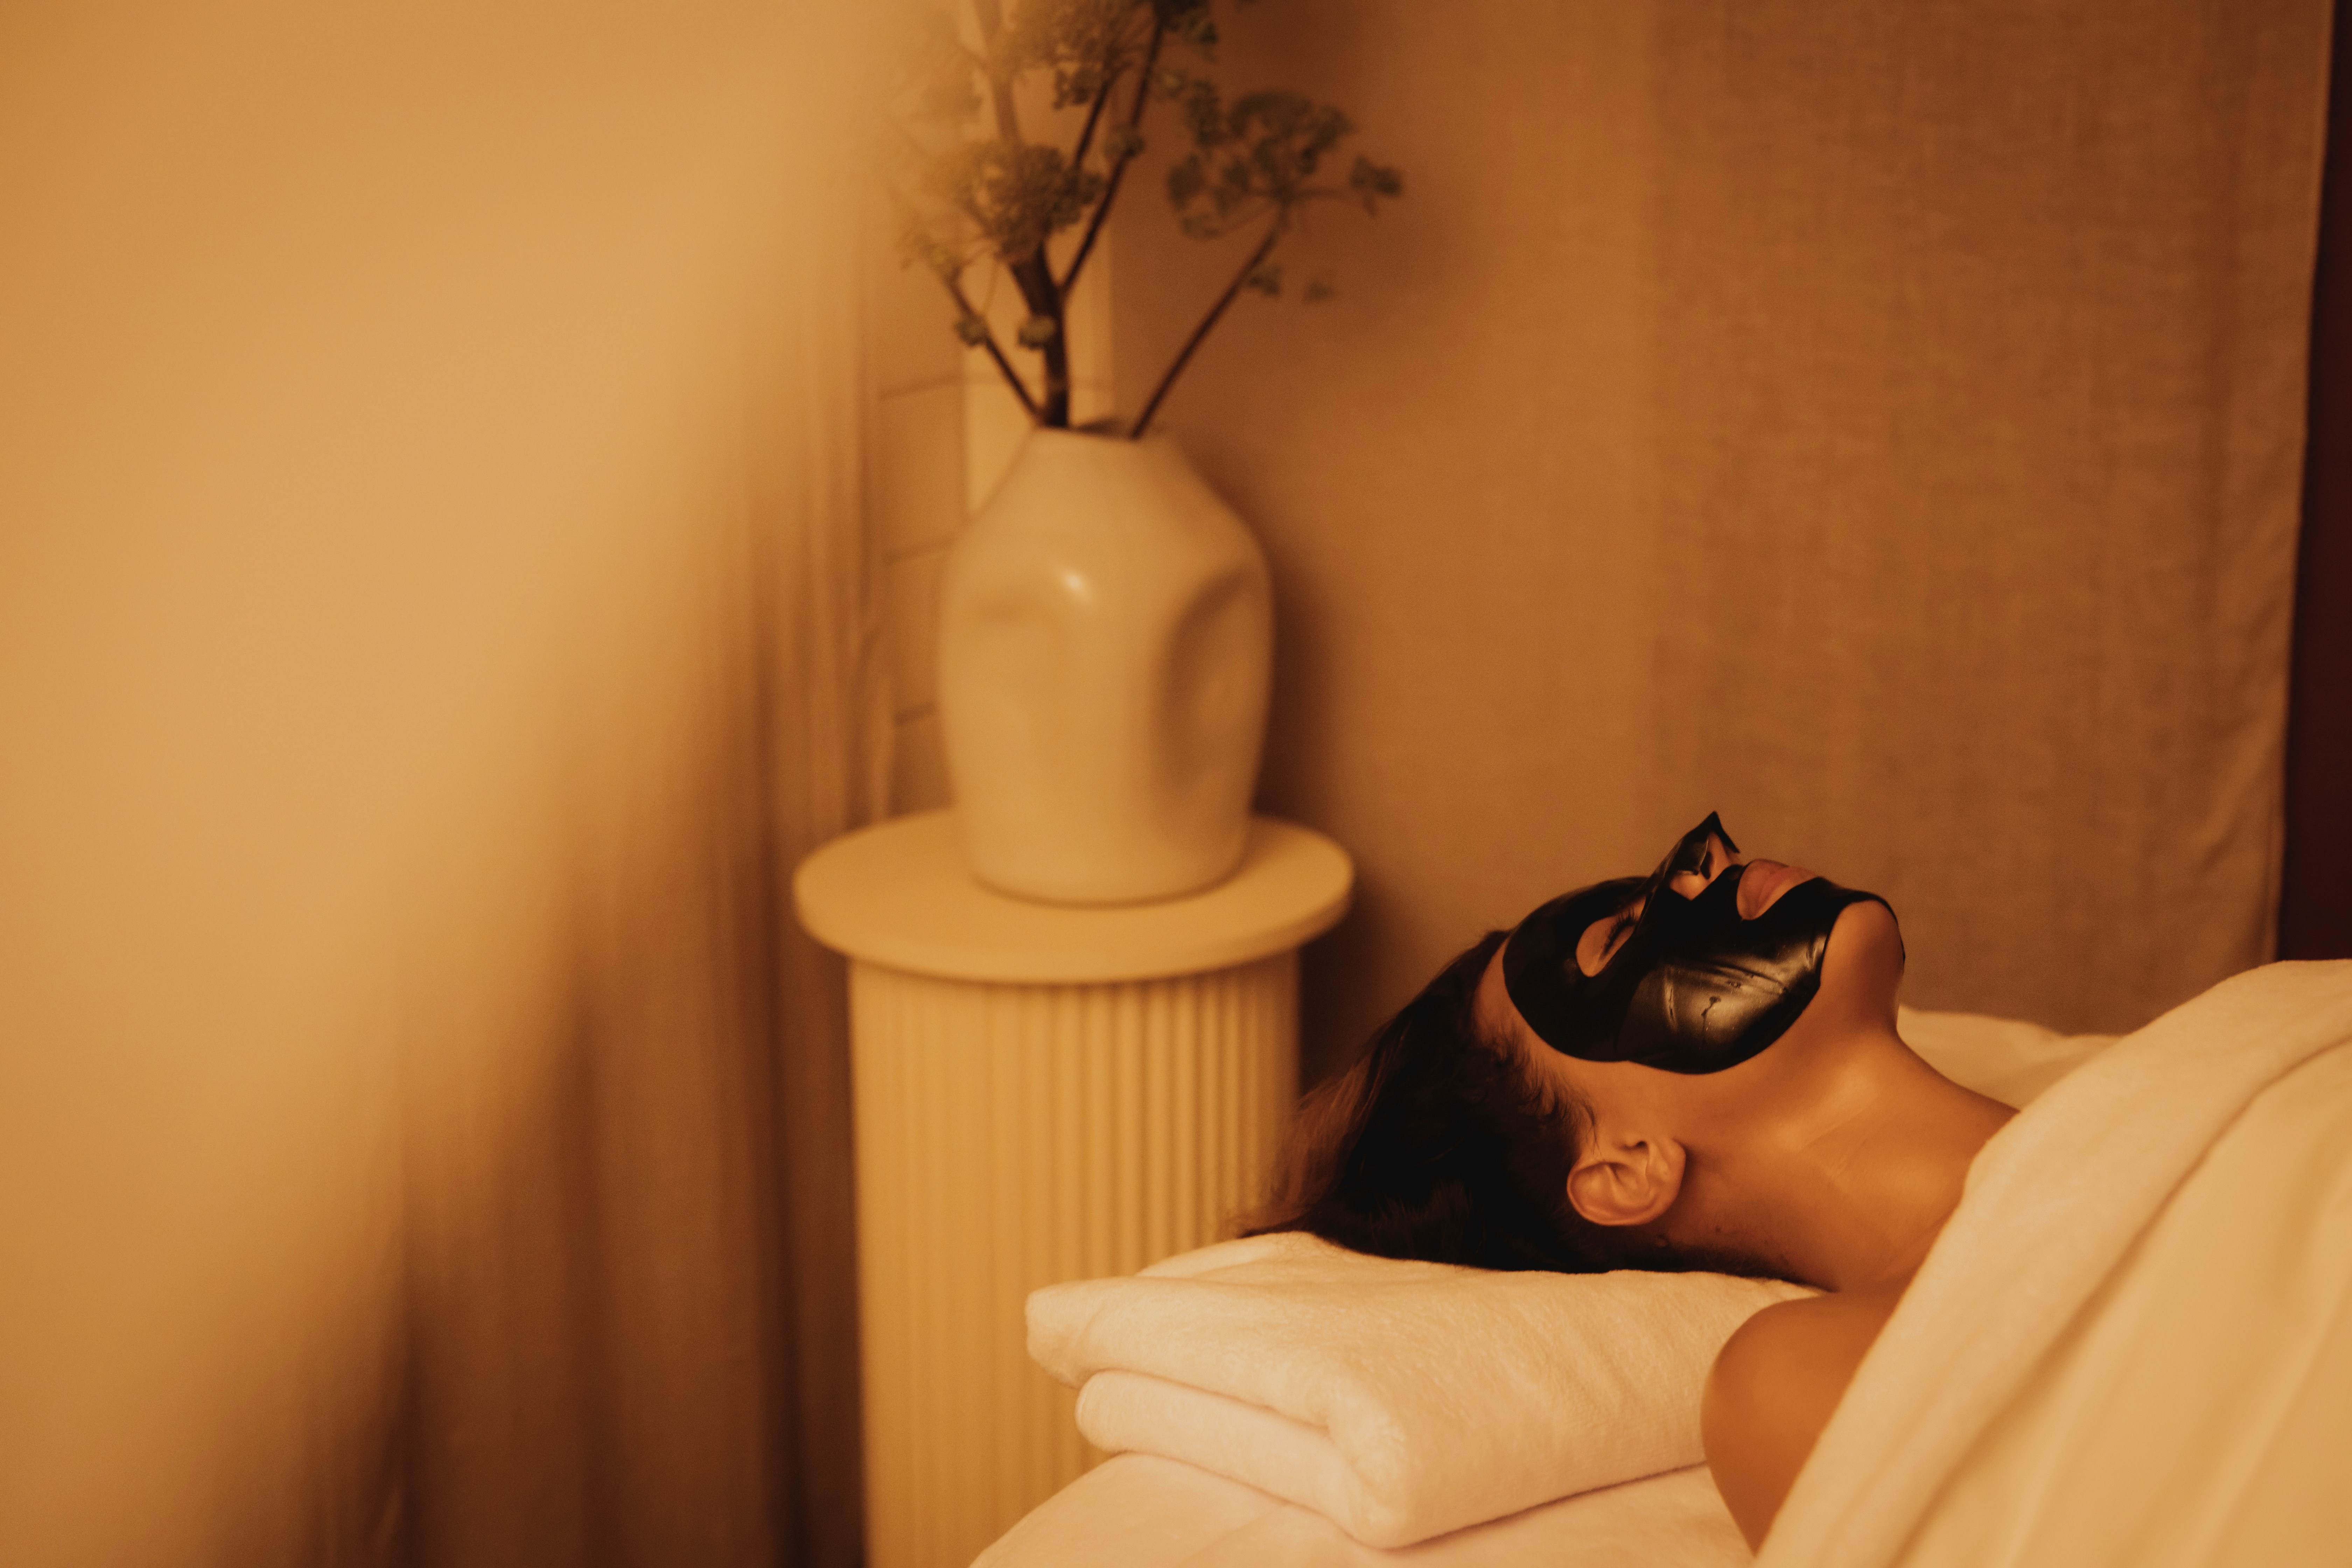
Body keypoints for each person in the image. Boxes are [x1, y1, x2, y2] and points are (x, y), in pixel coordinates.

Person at [1245, 814, 2016, 1549]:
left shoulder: (2129, 1098)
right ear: (1626, 1166)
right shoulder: (1808, 1383)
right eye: (1620, 939)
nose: (1707, 859)